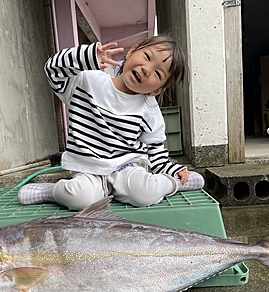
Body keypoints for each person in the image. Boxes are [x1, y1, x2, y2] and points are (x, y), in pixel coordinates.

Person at [18, 35, 204, 210]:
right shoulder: (86, 82)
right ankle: (49, 191)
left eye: (158, 73)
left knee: (145, 194)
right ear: (132, 51)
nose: (147, 69)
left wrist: (172, 169)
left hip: (127, 168)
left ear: (157, 90)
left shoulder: (149, 109)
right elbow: (53, 71)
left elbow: (154, 149)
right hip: (89, 169)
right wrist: (86, 57)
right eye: (147, 56)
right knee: (79, 198)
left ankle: (175, 183)